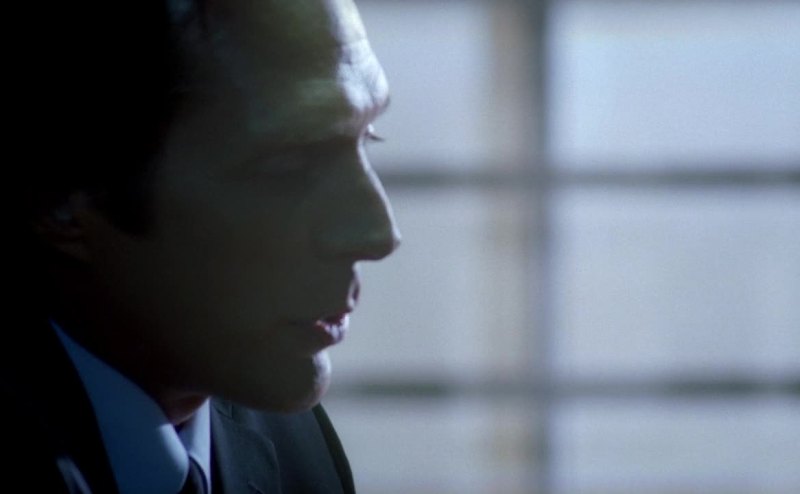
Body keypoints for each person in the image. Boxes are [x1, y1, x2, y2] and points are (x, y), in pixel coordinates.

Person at [4, 0, 400, 492]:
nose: (379, 233)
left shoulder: (292, 443)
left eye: (368, 137)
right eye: (289, 165)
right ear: (63, 201)